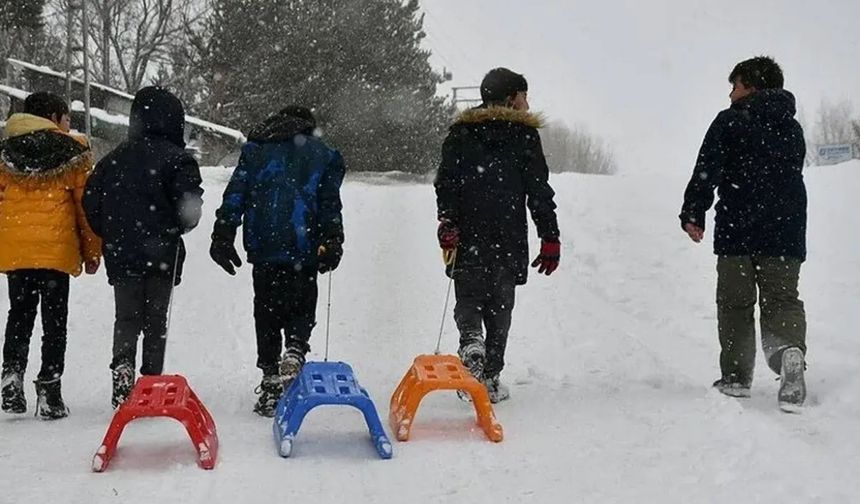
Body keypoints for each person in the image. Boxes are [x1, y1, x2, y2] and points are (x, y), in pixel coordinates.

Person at [679, 56, 807, 411]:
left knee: (735, 304)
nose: (731, 94)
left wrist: (693, 212)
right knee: (782, 300)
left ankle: (736, 378)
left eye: (734, 86)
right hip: (786, 231)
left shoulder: (731, 121)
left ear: (751, 85)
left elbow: (707, 169)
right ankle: (789, 354)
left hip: (739, 228)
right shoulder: (791, 127)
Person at [434, 67, 561, 403]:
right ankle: (489, 377)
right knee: (500, 306)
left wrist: (448, 220)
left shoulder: (461, 133)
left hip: (469, 234)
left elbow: (445, 181)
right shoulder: (524, 137)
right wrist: (550, 236)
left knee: (469, 296)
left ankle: (471, 340)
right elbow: (539, 192)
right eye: (524, 95)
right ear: (510, 98)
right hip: (508, 236)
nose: (527, 102)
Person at [210, 105, 345, 417]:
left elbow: (236, 194)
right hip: (305, 244)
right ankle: (296, 349)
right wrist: (332, 239)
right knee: (302, 301)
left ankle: (270, 379)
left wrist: (223, 232)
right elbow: (329, 204)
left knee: (267, 309)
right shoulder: (322, 154)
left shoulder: (256, 150)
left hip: (265, 244)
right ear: (308, 127)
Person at [83, 86, 203, 408]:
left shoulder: (112, 160)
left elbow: (91, 202)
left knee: (126, 316)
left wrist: (110, 231)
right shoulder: (178, 161)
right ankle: (150, 381)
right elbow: (190, 212)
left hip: (122, 253)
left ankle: (122, 368)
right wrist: (177, 226)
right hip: (162, 253)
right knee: (155, 320)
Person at [0, 92, 101, 419]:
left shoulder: (6, 153)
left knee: (20, 314)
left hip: (16, 250)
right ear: (55, 118)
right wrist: (92, 250)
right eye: (67, 118)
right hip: (56, 251)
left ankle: (11, 374)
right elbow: (84, 209)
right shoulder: (72, 151)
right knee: (54, 322)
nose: (70, 124)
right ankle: (50, 391)